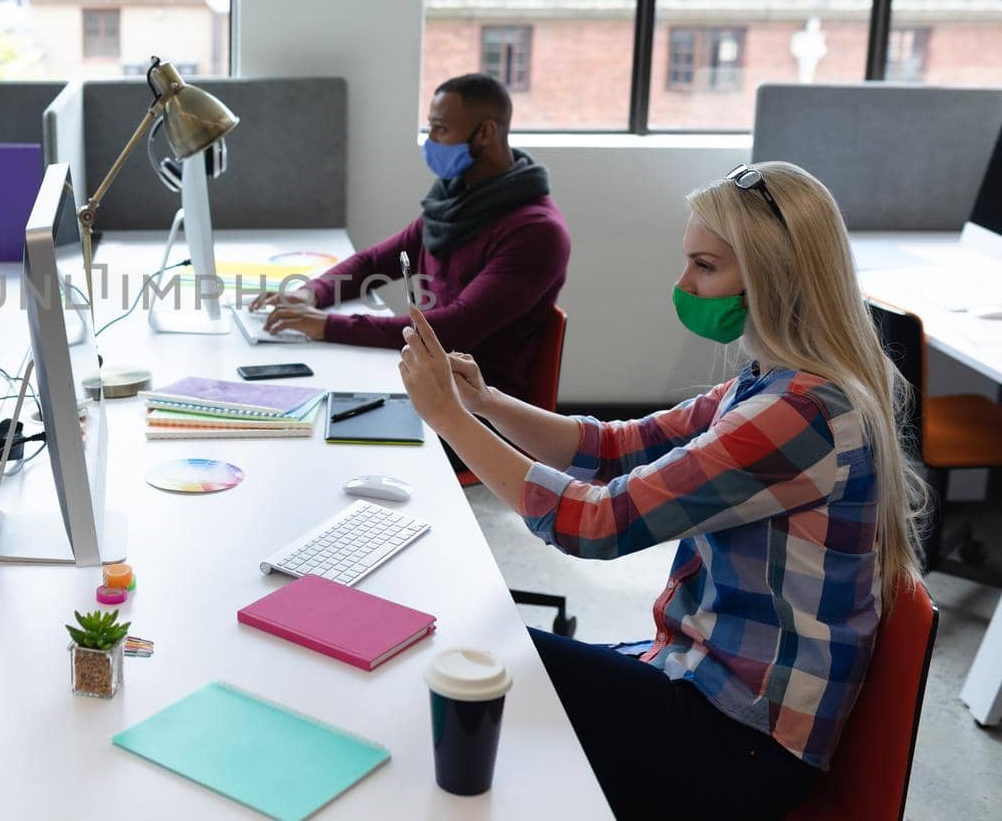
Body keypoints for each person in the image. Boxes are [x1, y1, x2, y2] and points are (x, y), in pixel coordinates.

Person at [397, 162, 926, 819]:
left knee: (484, 671)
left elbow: (594, 524)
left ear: (774, 277)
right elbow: (614, 446)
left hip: (744, 741)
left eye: (704, 266)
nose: (682, 284)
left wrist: (448, 419)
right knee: (498, 668)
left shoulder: (801, 414)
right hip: (704, 682)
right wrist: (485, 402)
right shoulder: (770, 383)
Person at [252, 73, 568, 404]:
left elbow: (455, 327)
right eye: (429, 127)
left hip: (479, 406)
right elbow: (372, 262)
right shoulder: (454, 202)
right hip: (428, 375)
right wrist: (310, 294)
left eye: (441, 129)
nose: (430, 141)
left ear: (485, 132)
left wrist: (326, 326)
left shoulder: (536, 232)